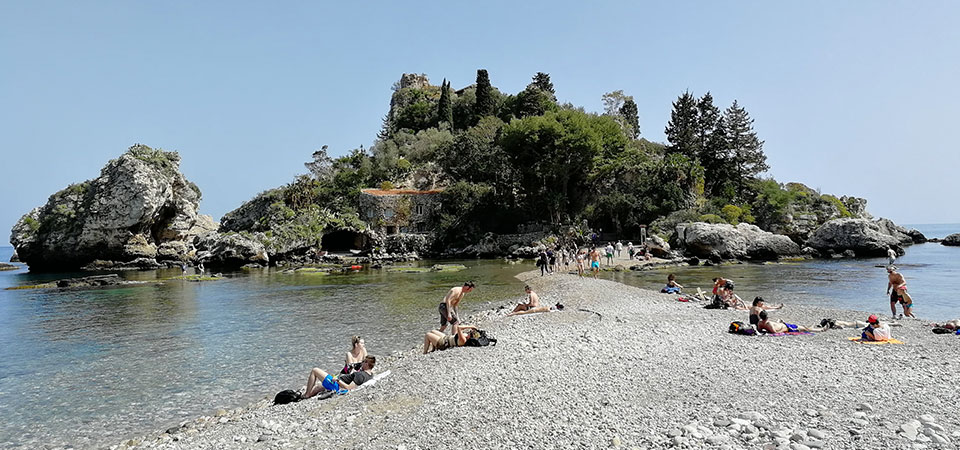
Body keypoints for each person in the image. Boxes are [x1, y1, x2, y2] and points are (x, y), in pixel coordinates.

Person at [303, 355, 376, 399]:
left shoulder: (360, 375)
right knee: (318, 387)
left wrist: (337, 380)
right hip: (338, 383)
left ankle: (307, 394)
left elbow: (348, 387)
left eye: (363, 362)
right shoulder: (370, 375)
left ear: (366, 364)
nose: (362, 363)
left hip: (336, 385)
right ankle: (307, 395)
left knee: (315, 370)